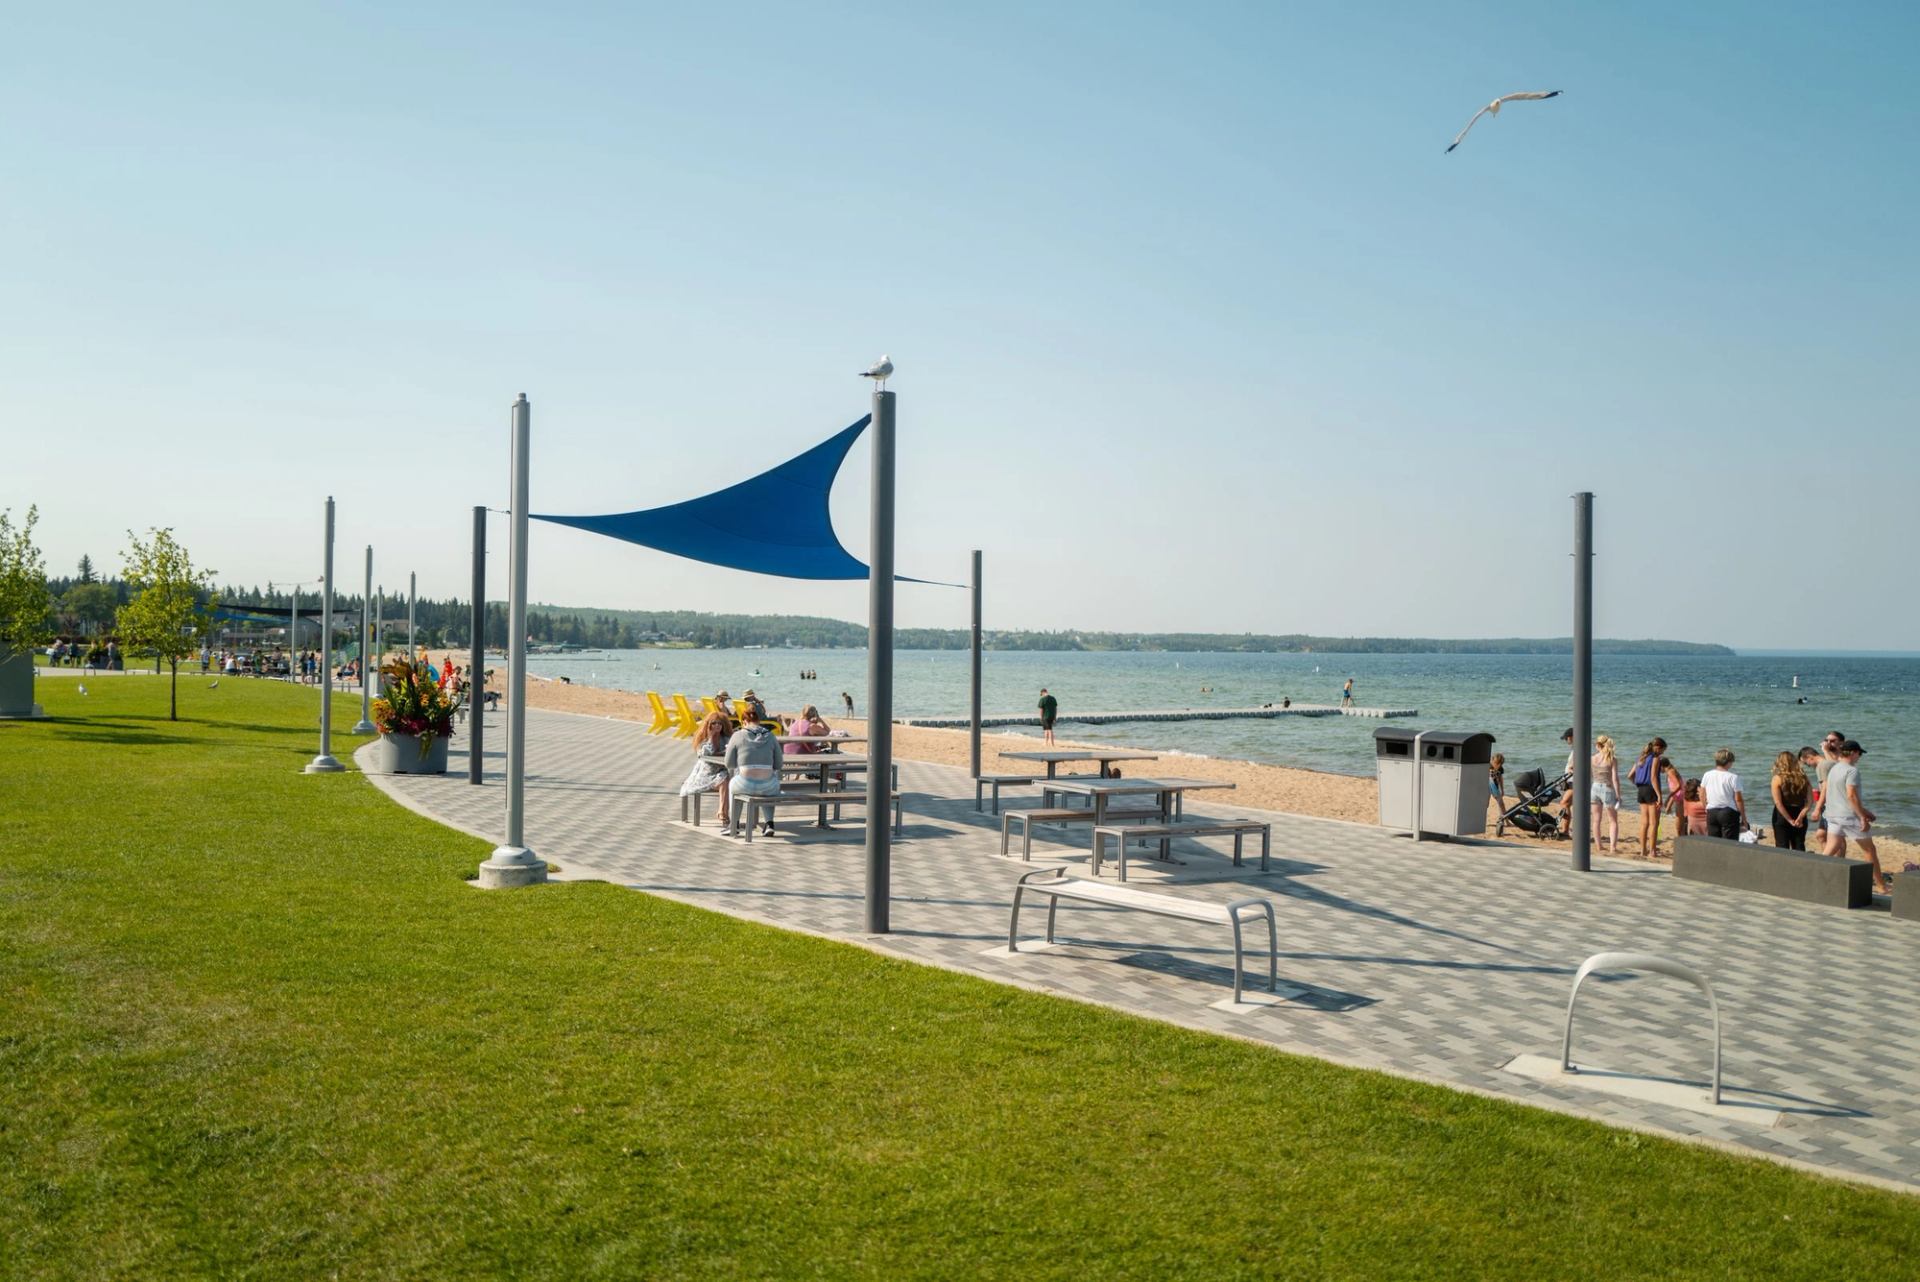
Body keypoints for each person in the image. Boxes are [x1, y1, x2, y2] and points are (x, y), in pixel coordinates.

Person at [1811, 739, 1887, 894]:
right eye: (1859, 754)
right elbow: (1851, 796)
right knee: (1869, 850)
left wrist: (1865, 812)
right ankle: (1881, 886)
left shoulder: (1834, 769)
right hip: (1848, 817)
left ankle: (1812, 875)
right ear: (1852, 753)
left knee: (1830, 849)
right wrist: (1862, 817)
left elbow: (1839, 796)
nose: (1860, 757)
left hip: (1832, 815)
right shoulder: (1852, 771)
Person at [723, 716, 782, 837]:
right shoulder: (771, 736)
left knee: (733, 785)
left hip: (744, 784)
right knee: (770, 785)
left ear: (744, 721)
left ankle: (734, 824)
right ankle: (769, 824)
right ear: (759, 720)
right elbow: (778, 764)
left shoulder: (737, 735)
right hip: (768, 786)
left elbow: (729, 764)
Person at [679, 708, 733, 823]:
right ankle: (723, 813)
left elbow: (731, 750)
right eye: (714, 723)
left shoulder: (726, 738)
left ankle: (722, 812)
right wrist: (711, 738)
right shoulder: (703, 739)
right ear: (708, 725)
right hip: (706, 775)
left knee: (726, 778)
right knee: (725, 779)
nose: (717, 726)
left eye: (720, 723)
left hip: (721, 773)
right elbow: (704, 754)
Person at [1628, 738, 1669, 859]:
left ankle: (1642, 850)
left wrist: (1638, 785)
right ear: (1658, 747)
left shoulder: (1640, 758)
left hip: (1641, 790)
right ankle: (1652, 851)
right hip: (1651, 790)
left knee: (1644, 822)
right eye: (1662, 750)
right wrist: (1659, 795)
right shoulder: (1655, 759)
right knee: (1654, 823)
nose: (1662, 753)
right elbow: (1653, 778)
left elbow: (1630, 776)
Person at [1769, 750, 1812, 851]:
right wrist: (1801, 817)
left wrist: (1789, 820)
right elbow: (1810, 801)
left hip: (1782, 815)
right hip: (1799, 812)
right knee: (1799, 845)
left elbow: (1778, 803)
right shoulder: (1804, 778)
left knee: (1782, 846)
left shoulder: (1777, 779)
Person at [1701, 748, 1747, 840]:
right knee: (1729, 843)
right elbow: (1738, 799)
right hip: (1728, 812)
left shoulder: (1707, 774)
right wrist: (1744, 818)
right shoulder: (1733, 777)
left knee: (1714, 842)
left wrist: (1705, 807)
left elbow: (1702, 794)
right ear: (1728, 762)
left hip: (1712, 811)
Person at [1590, 734, 1621, 854]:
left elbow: (1590, 774)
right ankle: (1613, 847)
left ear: (1598, 745)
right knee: (1613, 820)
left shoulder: (1592, 758)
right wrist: (1618, 794)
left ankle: (1599, 846)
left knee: (1596, 820)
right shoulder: (1611, 759)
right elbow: (1615, 779)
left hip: (1595, 787)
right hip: (1607, 789)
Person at [1488, 752, 1506, 822]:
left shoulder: (1500, 769)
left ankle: (1504, 819)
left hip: (1495, 786)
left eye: (1500, 764)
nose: (1498, 766)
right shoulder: (1487, 766)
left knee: (1501, 803)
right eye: (1497, 763)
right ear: (1492, 761)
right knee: (1485, 804)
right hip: (1486, 785)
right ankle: (1482, 820)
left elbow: (1501, 779)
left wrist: (1502, 789)